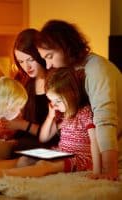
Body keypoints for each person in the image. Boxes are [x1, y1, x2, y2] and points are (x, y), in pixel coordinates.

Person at [36, 19, 122, 180]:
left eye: (50, 56)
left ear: (66, 47)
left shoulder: (97, 69)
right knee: (30, 161)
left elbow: (105, 121)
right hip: (83, 150)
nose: (48, 66)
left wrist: (109, 170)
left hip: (109, 150)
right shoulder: (72, 71)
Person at [0, 68, 101, 178]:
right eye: (51, 101)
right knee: (25, 159)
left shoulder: (85, 113)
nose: (54, 105)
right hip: (61, 153)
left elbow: (95, 142)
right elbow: (44, 137)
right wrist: (50, 117)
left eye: (58, 100)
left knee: (45, 166)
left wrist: (96, 171)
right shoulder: (61, 115)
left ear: (72, 95)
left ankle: (5, 174)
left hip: (79, 158)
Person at [0, 28, 59, 150]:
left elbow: (54, 135)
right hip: (27, 138)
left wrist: (21, 125)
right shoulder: (24, 81)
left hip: (47, 142)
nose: (26, 66)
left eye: (30, 60)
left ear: (40, 55)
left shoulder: (56, 83)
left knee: (19, 149)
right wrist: (10, 129)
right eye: (21, 61)